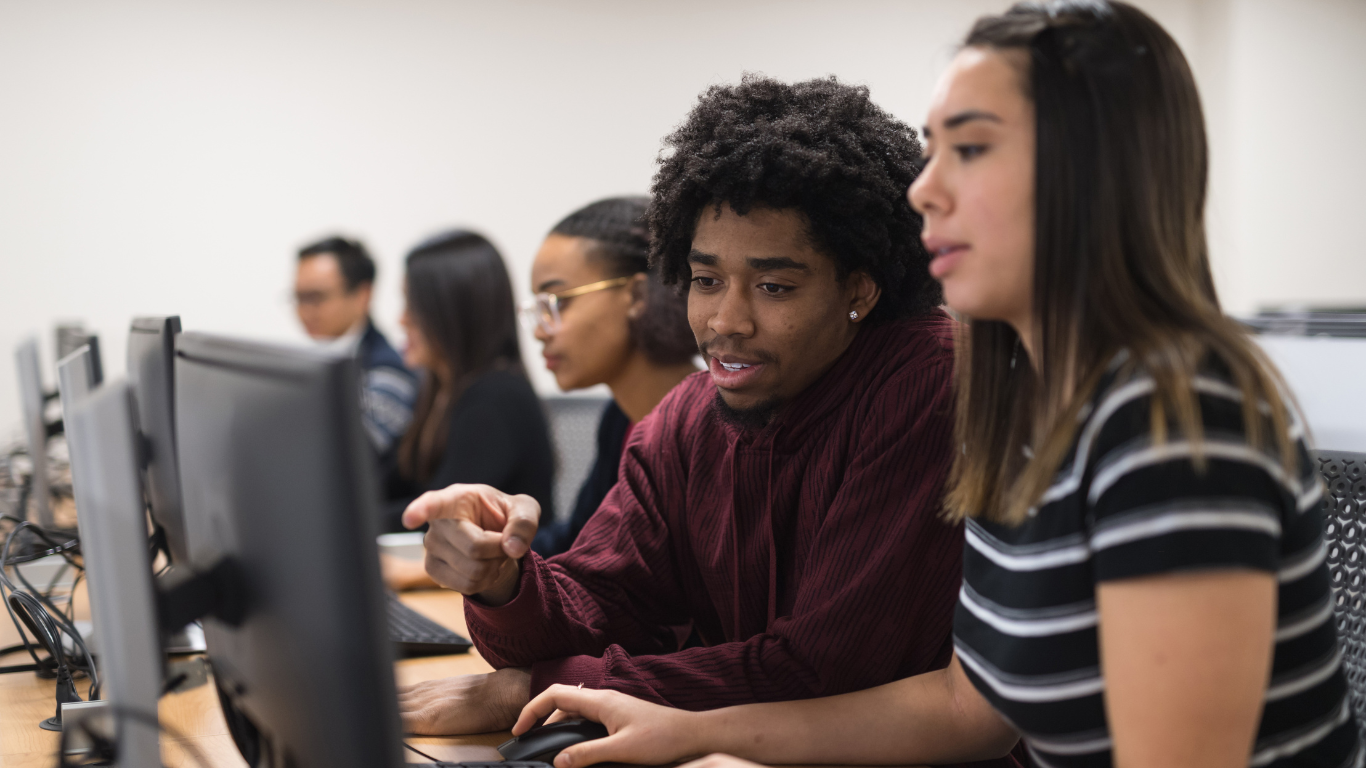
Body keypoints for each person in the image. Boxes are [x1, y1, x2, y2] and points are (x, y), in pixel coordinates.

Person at [508, 3, 1361, 768]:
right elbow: (965, 708)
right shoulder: (1023, 399)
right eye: (934, 148)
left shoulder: (1176, 417)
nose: (926, 189)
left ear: (1088, 179)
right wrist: (696, 731)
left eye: (973, 149)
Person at [396, 77, 1018, 768]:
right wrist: (501, 578)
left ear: (860, 288)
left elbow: (822, 673)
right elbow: (600, 602)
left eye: (775, 286)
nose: (726, 322)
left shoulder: (930, 384)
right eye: (706, 279)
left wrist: (541, 689)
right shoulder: (690, 418)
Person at [525, 196, 698, 558]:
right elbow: (579, 541)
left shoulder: (707, 429)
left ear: (636, 294)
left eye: (558, 301)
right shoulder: (619, 418)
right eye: (537, 309)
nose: (540, 332)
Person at [380, 230, 555, 534]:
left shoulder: (498, 398)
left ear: (451, 312)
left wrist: (337, 522)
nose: (401, 320)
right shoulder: (438, 390)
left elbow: (435, 517)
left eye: (413, 305)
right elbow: (390, 484)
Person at [294, 236, 416, 464]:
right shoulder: (315, 361)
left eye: (316, 297)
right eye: (299, 297)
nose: (304, 310)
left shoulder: (387, 372)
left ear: (363, 295)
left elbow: (352, 457)